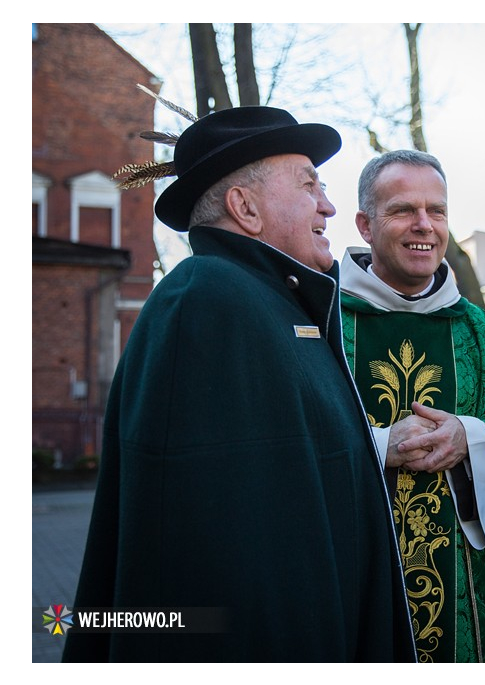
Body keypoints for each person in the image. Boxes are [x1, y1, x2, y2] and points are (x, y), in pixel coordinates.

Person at [62, 105, 416, 662]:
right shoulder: (207, 304)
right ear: (244, 207)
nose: (327, 205)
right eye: (309, 186)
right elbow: (211, 562)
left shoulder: (269, 305)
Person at [338, 149, 485, 662]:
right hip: (349, 581)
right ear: (365, 224)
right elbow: (281, 439)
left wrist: (471, 438)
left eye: (437, 211)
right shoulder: (318, 325)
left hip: (468, 605)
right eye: (403, 210)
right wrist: (380, 445)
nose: (424, 225)